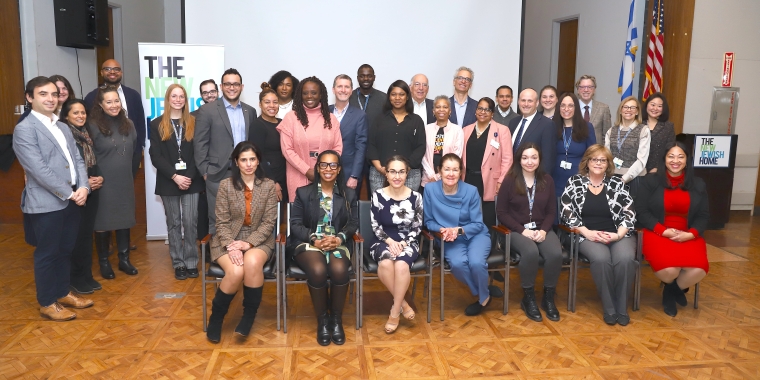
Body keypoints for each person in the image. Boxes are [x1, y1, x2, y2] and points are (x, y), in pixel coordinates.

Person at [14, 77, 93, 321]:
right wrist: (70, 193)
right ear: (30, 98)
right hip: (46, 203)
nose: (50, 99)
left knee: (65, 250)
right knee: (47, 253)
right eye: (43, 94)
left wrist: (84, 187)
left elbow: (77, 160)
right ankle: (47, 302)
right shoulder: (24, 129)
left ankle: (62, 292)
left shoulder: (61, 126)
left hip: (71, 198)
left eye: (54, 94)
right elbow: (38, 170)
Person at [206, 142, 278, 343]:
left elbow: (269, 222)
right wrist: (231, 245)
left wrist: (248, 244)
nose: (248, 164)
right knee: (236, 271)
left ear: (258, 161)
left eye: (252, 159)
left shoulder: (269, 186)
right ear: (236, 162)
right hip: (226, 238)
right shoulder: (226, 186)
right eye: (244, 160)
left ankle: (248, 317)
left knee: (252, 263)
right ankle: (216, 319)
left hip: (259, 239)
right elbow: (221, 222)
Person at [559, 144, 636, 325]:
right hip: (586, 235)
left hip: (617, 235)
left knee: (625, 258)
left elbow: (629, 213)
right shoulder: (575, 182)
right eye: (595, 159)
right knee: (601, 259)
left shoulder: (617, 183)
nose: (598, 163)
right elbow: (566, 211)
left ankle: (621, 307)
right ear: (587, 162)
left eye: (603, 160)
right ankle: (609, 308)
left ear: (608, 163)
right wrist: (587, 232)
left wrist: (617, 235)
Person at [288, 150, 358, 346]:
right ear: (317, 168)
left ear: (339, 169)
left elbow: (353, 223)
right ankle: (322, 320)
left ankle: (335, 319)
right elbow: (295, 225)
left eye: (333, 165)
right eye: (324, 165)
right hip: (309, 243)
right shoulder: (303, 193)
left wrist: (339, 238)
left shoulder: (348, 194)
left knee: (339, 269)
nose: (328, 169)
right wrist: (314, 240)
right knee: (318, 270)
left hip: (337, 241)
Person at [637, 142, 709, 317]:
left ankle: (671, 291)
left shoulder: (698, 184)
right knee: (670, 270)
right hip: (657, 231)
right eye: (671, 156)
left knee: (699, 269)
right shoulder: (650, 181)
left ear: (686, 161)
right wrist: (663, 231)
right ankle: (674, 287)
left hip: (687, 234)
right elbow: (641, 212)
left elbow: (703, 215)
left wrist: (691, 234)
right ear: (664, 159)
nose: (675, 161)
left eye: (680, 156)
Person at [496, 143, 562, 322]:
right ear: (519, 159)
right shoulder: (510, 180)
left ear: (540, 159)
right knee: (531, 252)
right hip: (517, 229)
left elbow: (551, 212)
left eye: (534, 157)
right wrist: (522, 230)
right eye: (525, 157)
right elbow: (501, 212)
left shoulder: (547, 180)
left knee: (556, 254)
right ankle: (529, 297)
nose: (529, 162)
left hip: (542, 228)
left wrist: (543, 230)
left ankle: (548, 297)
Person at [424, 153, 492, 316]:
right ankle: (482, 288)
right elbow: (428, 221)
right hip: (448, 238)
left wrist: (458, 230)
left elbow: (477, 223)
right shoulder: (430, 189)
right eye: (447, 169)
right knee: (458, 264)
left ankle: (483, 298)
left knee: (476, 262)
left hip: (475, 235)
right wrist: (443, 230)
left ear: (461, 172)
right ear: (439, 171)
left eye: (455, 170)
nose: (451, 174)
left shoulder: (471, 191)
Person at [149, 84, 204, 280]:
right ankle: (178, 263)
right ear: (168, 99)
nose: (178, 99)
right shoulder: (156, 124)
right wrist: (175, 176)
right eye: (174, 96)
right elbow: (155, 156)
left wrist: (187, 176)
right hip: (168, 181)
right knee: (174, 223)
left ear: (186, 100)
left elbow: (200, 153)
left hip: (192, 180)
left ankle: (191, 261)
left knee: (190, 222)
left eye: (182, 96)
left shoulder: (195, 123)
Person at [194, 68, 258, 235]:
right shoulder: (207, 110)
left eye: (236, 84)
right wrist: (205, 171)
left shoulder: (250, 111)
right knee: (218, 220)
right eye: (228, 84)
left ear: (242, 87)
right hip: (217, 174)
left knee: (244, 218)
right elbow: (200, 143)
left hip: (245, 173)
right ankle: (219, 258)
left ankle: (240, 258)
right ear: (221, 86)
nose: (232, 87)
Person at [89, 85, 138, 278]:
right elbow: (89, 155)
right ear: (100, 104)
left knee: (124, 220)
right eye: (108, 102)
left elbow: (135, 151)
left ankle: (124, 260)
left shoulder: (129, 123)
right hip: (103, 182)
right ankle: (104, 263)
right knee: (103, 221)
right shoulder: (92, 125)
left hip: (124, 180)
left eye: (116, 101)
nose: (114, 105)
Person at [370, 156, 423, 333]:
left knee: (401, 265)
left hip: (408, 241)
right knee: (385, 263)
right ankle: (404, 304)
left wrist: (403, 243)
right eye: (393, 171)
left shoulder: (416, 197)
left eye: (401, 171)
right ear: (386, 173)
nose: (397, 176)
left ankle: (394, 311)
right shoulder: (377, 195)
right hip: (382, 240)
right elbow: (375, 226)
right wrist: (390, 241)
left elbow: (417, 227)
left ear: (407, 173)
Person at [61, 99, 103, 294]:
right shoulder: (65, 134)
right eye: (75, 113)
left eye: (82, 113)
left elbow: (94, 161)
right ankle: (75, 278)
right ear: (66, 116)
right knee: (76, 238)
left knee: (86, 237)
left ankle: (86, 275)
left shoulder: (87, 134)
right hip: (76, 193)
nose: (80, 116)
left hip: (91, 190)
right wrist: (85, 184)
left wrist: (98, 178)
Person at [278, 76, 343, 202]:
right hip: (297, 173)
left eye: (314, 93)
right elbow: (287, 149)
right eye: (305, 93)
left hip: (327, 175)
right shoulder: (291, 118)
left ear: (321, 95)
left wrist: (324, 169)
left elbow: (337, 148)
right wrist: (306, 170)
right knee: (300, 215)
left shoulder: (331, 119)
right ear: (300, 95)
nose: (309, 96)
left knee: (323, 215)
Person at [84, 59, 146, 178]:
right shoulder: (91, 96)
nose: (112, 72)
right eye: (108, 69)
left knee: (129, 184)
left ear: (121, 72)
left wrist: (140, 145)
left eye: (116, 69)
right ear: (101, 72)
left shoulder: (133, 95)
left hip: (131, 151)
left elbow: (140, 121)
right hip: (105, 153)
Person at [461, 97, 513, 228]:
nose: (483, 112)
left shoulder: (502, 130)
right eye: (480, 108)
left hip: (490, 180)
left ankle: (488, 245)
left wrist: (501, 180)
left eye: (487, 109)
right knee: (467, 214)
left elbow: (507, 159)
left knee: (488, 217)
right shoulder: (466, 130)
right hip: (467, 178)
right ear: (475, 110)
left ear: (492, 113)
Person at [366, 80, 426, 192]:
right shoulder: (379, 119)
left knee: (406, 209)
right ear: (389, 97)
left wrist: (404, 169)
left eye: (401, 94)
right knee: (382, 208)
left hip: (409, 175)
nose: (397, 98)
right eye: (393, 94)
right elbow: (371, 144)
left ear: (407, 97)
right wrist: (380, 168)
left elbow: (420, 147)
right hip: (380, 174)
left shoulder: (416, 121)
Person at [552, 92, 596, 196]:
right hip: (555, 180)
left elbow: (593, 154)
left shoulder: (586, 127)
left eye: (570, 105)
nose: (566, 109)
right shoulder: (551, 127)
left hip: (579, 180)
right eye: (563, 105)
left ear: (576, 108)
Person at [330, 74, 368, 192]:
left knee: (348, 209)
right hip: (325, 172)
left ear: (351, 91)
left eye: (346, 87)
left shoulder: (360, 115)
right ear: (333, 90)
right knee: (324, 208)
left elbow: (361, 147)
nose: (343, 90)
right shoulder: (324, 112)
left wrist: (354, 175)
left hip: (349, 174)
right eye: (339, 86)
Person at [250, 83, 286, 203]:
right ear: (260, 104)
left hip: (284, 176)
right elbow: (258, 157)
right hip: (267, 179)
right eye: (267, 102)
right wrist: (273, 182)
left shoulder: (282, 123)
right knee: (270, 219)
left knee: (283, 218)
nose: (272, 106)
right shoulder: (257, 125)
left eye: (275, 102)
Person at [604, 96, 651, 186]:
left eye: (632, 107)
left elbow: (641, 160)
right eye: (625, 107)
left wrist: (624, 179)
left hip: (634, 178)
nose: (628, 110)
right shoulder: (611, 131)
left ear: (637, 111)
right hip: (611, 176)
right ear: (621, 111)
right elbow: (606, 155)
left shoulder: (644, 130)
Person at [508, 88, 556, 175]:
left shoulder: (547, 124)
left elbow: (548, 159)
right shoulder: (513, 122)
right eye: (523, 100)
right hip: (511, 176)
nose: (526, 104)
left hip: (533, 179)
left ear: (537, 103)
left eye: (530, 101)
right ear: (518, 102)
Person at [421, 96, 463, 187]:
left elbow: (457, 155)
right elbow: (422, 154)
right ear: (433, 111)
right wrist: (431, 175)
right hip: (428, 179)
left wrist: (439, 176)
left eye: (445, 107)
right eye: (438, 107)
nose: (441, 110)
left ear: (450, 111)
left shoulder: (457, 130)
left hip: (449, 178)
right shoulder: (426, 129)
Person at [643, 93, 676, 173]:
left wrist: (658, 168)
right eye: (653, 105)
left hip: (659, 171)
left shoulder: (668, 127)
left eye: (659, 106)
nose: (655, 108)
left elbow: (670, 150)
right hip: (636, 171)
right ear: (647, 105)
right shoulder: (637, 124)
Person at [576, 75, 612, 144]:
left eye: (589, 87)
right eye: (582, 87)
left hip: (596, 152)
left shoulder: (604, 108)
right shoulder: (571, 108)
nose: (586, 90)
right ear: (578, 90)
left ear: (594, 90)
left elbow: (607, 136)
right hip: (575, 152)